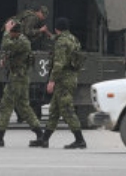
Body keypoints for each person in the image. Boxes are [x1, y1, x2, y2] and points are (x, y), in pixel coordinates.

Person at [0, 20, 43, 147]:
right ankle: (40, 135)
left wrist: (6, 31)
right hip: (18, 77)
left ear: (15, 32)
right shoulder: (19, 41)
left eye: (10, 32)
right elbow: (11, 52)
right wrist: (5, 60)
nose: (9, 35)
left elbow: (5, 45)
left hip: (17, 79)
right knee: (24, 107)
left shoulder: (22, 41)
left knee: (6, 106)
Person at [30, 17, 87, 149]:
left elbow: (59, 63)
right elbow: (56, 39)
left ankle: (80, 140)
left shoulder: (61, 42)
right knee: (54, 110)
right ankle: (44, 139)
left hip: (63, 80)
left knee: (67, 109)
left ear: (57, 29)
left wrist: (51, 81)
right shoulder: (73, 39)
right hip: (71, 77)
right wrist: (48, 33)